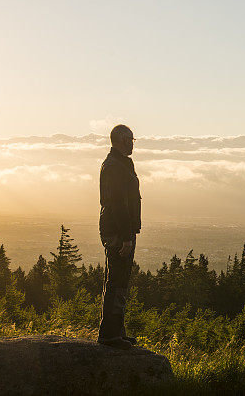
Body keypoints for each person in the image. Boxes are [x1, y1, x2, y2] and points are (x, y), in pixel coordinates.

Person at [97, 124, 142, 349]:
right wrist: (126, 237)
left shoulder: (122, 163)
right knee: (116, 280)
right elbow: (117, 204)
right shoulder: (115, 166)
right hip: (117, 231)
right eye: (131, 139)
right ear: (122, 140)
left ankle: (117, 330)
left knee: (120, 280)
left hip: (120, 230)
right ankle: (109, 334)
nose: (133, 143)